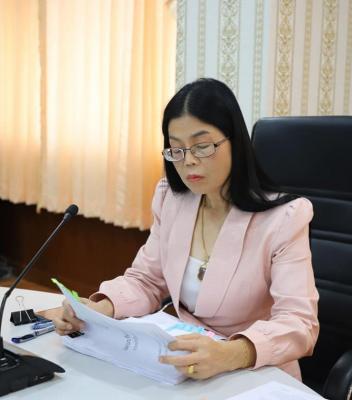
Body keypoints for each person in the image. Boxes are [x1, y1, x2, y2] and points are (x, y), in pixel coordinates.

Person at [54, 78, 319, 381]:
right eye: (176, 149)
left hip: (256, 371)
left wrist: (231, 354)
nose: (189, 161)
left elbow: (299, 323)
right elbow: (147, 280)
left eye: (202, 146)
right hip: (188, 366)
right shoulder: (172, 199)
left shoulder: (285, 218)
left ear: (235, 141)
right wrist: (99, 310)